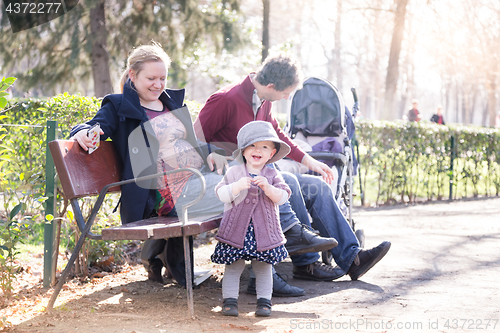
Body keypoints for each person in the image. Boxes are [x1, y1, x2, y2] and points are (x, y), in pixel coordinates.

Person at [70, 43, 336, 293]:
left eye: (162, 78)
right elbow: (93, 125)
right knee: (250, 188)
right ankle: (287, 244)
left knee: (255, 177)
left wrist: (212, 153)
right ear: (133, 75)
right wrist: (84, 133)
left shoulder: (169, 103)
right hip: (165, 196)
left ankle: (278, 257)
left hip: (194, 182)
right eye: (151, 78)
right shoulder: (119, 105)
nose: (158, 84)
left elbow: (193, 144)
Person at [194, 52, 391, 285]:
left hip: (259, 177)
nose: (288, 98)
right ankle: (306, 263)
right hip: (233, 181)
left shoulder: (264, 100)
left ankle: (353, 259)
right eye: (286, 93)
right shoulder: (226, 99)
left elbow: (278, 135)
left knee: (318, 186)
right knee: (288, 180)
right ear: (271, 85)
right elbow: (193, 138)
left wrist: (309, 161)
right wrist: (212, 153)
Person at [213, 121, 292, 317]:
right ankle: (230, 301)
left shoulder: (273, 174)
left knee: (264, 268)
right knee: (233, 266)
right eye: (253, 146)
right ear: (244, 150)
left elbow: (283, 197)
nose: (258, 150)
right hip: (236, 231)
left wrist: (268, 188)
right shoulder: (234, 172)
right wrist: (237, 187)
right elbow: (222, 194)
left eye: (264, 146)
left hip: (263, 232)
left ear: (271, 153)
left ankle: (264, 302)